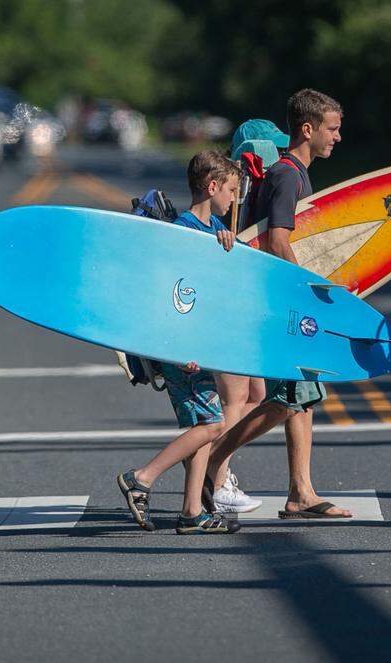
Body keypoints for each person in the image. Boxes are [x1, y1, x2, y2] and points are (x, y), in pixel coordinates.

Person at [202, 89, 353, 520]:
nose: (337, 137)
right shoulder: (288, 175)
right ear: (307, 129)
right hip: (280, 303)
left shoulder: (295, 173)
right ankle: (215, 458)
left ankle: (300, 491)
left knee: (302, 397)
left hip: (282, 301)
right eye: (332, 128)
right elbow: (278, 242)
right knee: (290, 397)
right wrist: (310, 290)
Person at [116, 150, 242, 534]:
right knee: (213, 425)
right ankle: (142, 477)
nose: (236, 199)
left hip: (196, 346)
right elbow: (175, 296)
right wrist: (182, 349)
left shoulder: (210, 232)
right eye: (233, 190)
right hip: (180, 347)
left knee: (202, 424)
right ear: (213, 186)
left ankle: (191, 513)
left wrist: (225, 249)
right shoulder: (184, 232)